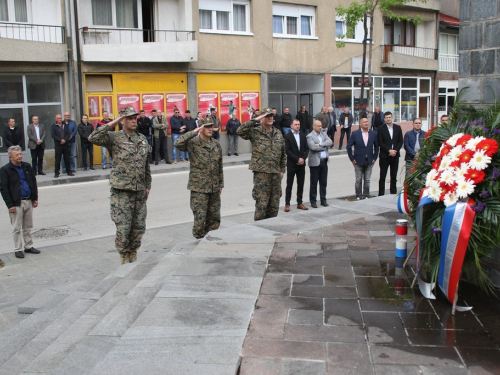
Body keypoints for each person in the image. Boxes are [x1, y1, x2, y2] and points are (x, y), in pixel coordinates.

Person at [88, 106, 151, 264]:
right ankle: (123, 256)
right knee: (124, 227)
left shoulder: (142, 139)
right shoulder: (114, 137)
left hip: (139, 191)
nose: (133, 120)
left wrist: (147, 185)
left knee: (138, 227)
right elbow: (93, 137)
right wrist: (114, 121)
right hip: (121, 191)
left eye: (134, 118)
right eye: (129, 118)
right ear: (122, 120)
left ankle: (133, 254)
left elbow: (146, 165)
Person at [174, 118, 224, 239]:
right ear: (200, 129)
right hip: (199, 188)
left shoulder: (216, 144)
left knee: (214, 217)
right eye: (207, 127)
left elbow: (219, 165)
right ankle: (198, 241)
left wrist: (220, 184)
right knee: (200, 219)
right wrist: (193, 132)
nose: (210, 129)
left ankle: (211, 242)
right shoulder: (194, 144)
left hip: (214, 187)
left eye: (211, 126)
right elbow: (178, 143)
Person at [237, 107, 286, 221]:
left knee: (274, 206)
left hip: (275, 174)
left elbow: (283, 153)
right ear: (261, 118)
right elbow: (240, 131)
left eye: (271, 116)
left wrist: (282, 169)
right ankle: (259, 232)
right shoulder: (255, 132)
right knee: (261, 206)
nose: (270, 118)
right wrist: (255, 119)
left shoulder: (278, 133)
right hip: (262, 175)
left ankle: (271, 230)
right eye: (267, 116)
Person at [0, 145, 40, 259]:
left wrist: (35, 198)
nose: (20, 156)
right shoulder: (5, 170)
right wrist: (10, 205)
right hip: (16, 203)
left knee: (27, 226)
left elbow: (33, 182)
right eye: (17, 155)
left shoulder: (27, 166)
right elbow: (4, 189)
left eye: (20, 154)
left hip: (28, 200)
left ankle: (28, 246)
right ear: (10, 157)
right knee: (16, 227)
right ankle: (18, 249)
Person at [347, 115, 379, 200]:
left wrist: (375, 158)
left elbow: (376, 147)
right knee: (358, 179)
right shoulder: (355, 134)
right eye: (364, 122)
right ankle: (358, 195)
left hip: (369, 160)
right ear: (360, 124)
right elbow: (348, 147)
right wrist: (352, 159)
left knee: (367, 179)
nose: (366, 123)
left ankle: (366, 195)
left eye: (367, 122)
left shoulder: (373, 133)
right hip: (358, 160)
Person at [284, 119, 309, 212]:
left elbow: (306, 149)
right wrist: (296, 159)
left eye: (298, 124)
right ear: (291, 126)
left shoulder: (303, 136)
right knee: (289, 184)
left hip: (301, 164)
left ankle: (299, 202)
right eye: (295, 124)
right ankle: (287, 204)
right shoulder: (287, 136)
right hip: (292, 164)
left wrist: (303, 158)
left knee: (301, 184)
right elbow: (287, 150)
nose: (297, 126)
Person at [307, 120, 333, 208]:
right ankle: (313, 201)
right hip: (315, 163)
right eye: (318, 126)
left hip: (324, 161)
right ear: (313, 126)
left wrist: (320, 144)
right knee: (314, 183)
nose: (320, 127)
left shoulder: (323, 134)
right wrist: (324, 147)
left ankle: (323, 200)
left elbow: (330, 142)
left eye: (321, 126)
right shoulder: (309, 136)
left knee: (323, 182)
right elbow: (313, 147)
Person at [377, 111, 403, 195]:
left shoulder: (398, 128)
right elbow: (380, 142)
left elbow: (400, 141)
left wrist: (395, 151)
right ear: (384, 119)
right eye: (386, 117)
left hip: (395, 155)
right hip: (385, 156)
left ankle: (393, 193)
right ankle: (381, 194)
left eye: (389, 117)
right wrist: (389, 150)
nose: (388, 119)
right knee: (382, 176)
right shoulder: (381, 129)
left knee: (393, 176)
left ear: (392, 118)